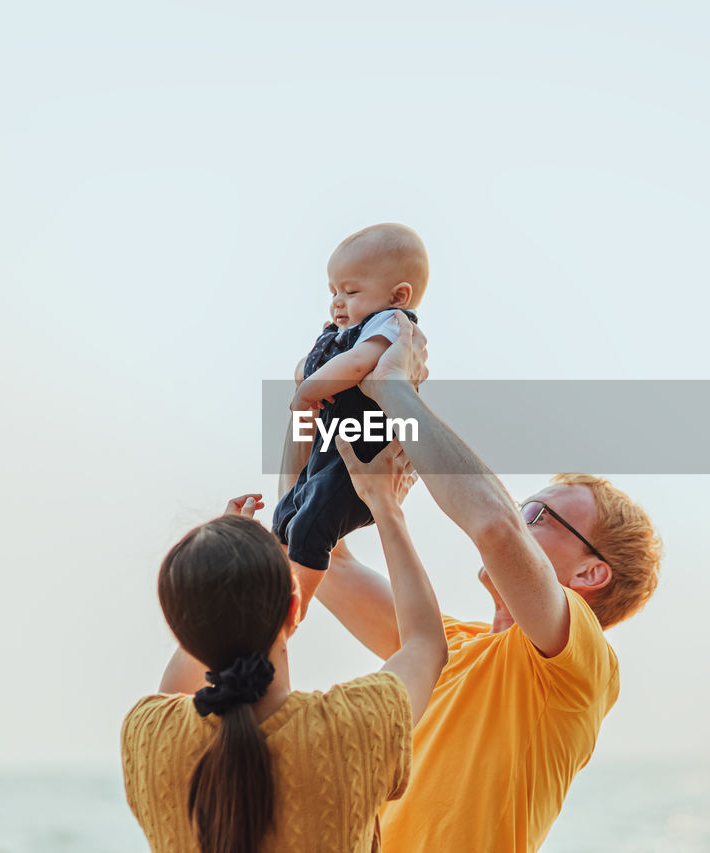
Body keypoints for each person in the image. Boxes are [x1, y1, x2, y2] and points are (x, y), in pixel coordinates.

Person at [311, 317, 664, 853]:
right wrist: (319, 401)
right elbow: (323, 561)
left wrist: (395, 391)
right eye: (523, 508)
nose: (518, 520)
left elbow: (495, 528)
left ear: (590, 573)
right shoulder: (448, 645)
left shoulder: (582, 666)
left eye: (537, 515)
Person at [120, 437, 447, 853]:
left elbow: (424, 645)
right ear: (296, 605)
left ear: (181, 626)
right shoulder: (353, 726)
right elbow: (427, 645)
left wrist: (220, 566)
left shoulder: (148, 734)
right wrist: (386, 506)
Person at [272, 222, 430, 608]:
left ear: (398, 295)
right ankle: (275, 587)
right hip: (330, 454)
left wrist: (308, 390)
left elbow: (359, 363)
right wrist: (311, 373)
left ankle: (295, 607)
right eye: (333, 291)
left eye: (351, 291)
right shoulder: (348, 330)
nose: (337, 301)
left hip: (358, 468)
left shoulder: (391, 325)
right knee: (286, 514)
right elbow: (309, 367)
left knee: (312, 526)